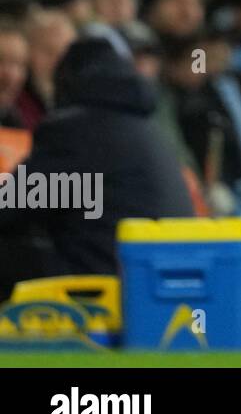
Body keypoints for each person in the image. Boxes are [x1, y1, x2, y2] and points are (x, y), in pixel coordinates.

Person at [0, 35, 195, 298]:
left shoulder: (76, 130)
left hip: (101, 288)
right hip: (160, 289)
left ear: (66, 81)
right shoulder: (150, 132)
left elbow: (12, 206)